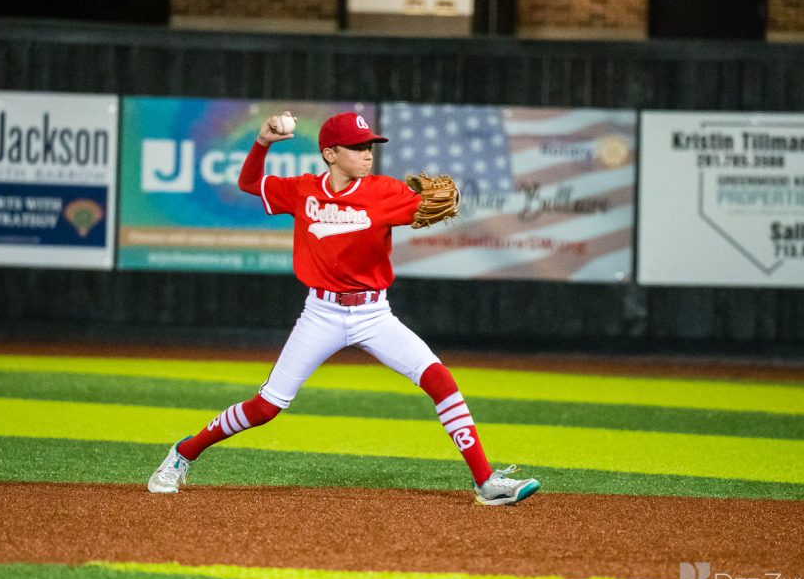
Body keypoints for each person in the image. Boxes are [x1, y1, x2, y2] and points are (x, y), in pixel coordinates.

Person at [147, 110, 541, 505]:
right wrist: (263, 141)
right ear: (330, 153)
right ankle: (183, 453)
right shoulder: (302, 190)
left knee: (439, 379)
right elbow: (248, 182)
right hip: (321, 314)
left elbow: (429, 205)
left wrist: (437, 200)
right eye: (357, 147)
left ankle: (486, 481)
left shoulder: (385, 192)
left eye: (369, 145)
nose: (367, 154)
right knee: (266, 407)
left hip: (374, 315)